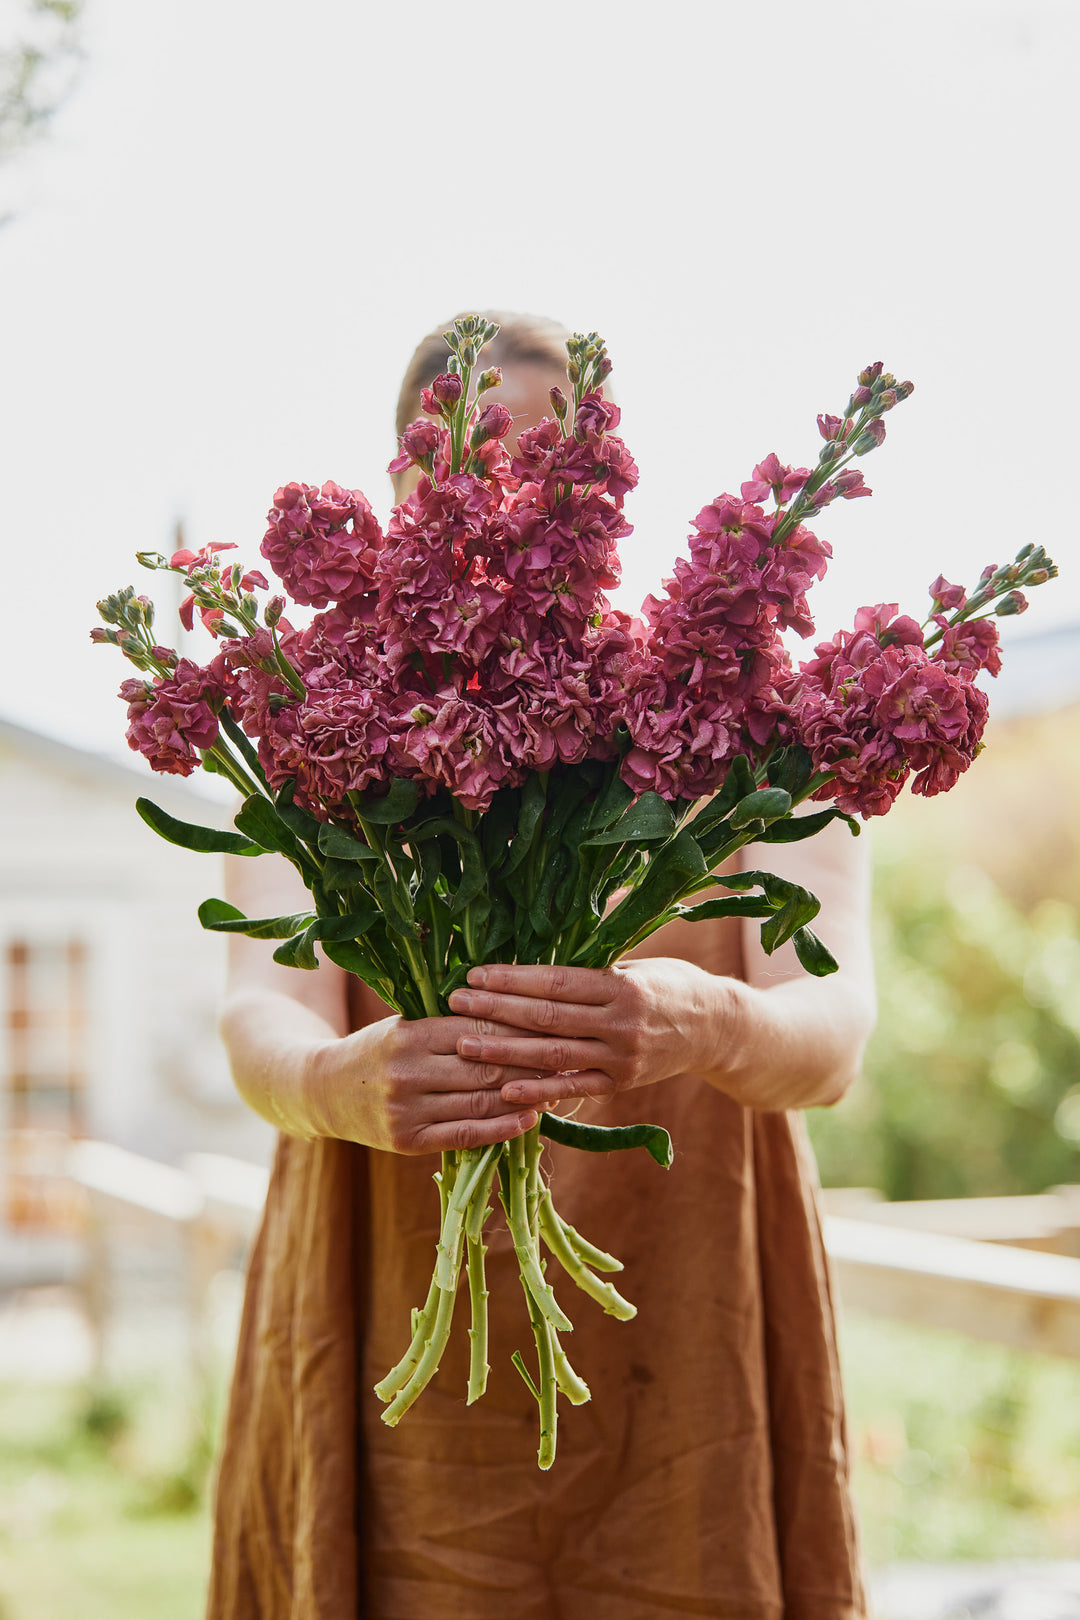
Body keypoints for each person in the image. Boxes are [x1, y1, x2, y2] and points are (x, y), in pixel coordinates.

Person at [206, 312, 877, 1620]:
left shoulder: (735, 707)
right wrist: (342, 1083)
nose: (492, 492)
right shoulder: (311, 719)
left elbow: (837, 1030)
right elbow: (256, 1014)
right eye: (455, 455)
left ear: (600, 484)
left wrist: (706, 1021)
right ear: (399, 479)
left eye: (538, 457)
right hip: (389, 1281)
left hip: (690, 1318)